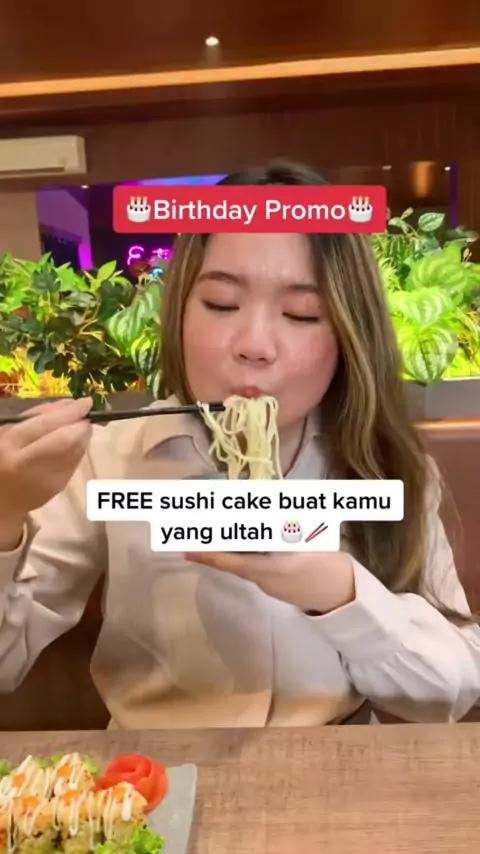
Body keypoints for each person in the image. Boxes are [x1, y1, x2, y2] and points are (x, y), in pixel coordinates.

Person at [0, 161, 479, 730]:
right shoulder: (110, 461)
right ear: (180, 310)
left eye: (302, 313)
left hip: (336, 766)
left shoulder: (384, 465)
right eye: (222, 304)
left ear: (349, 335)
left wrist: (339, 592)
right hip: (151, 771)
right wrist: (5, 510)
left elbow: (453, 689)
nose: (254, 344)